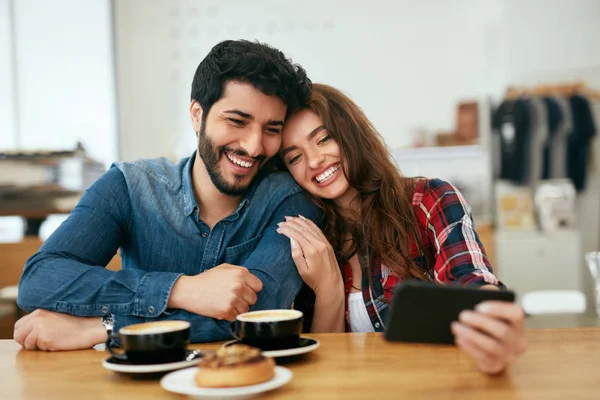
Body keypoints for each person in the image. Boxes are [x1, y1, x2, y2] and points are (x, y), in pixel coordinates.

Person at [14, 40, 320, 351]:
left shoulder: (289, 200)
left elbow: (257, 315)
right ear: (197, 116)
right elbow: (40, 280)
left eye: (271, 129)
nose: (254, 147)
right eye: (237, 121)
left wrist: (106, 328)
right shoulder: (130, 186)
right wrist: (181, 289)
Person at [276, 83, 527, 375]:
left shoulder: (430, 199)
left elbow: (469, 279)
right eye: (294, 157)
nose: (314, 161)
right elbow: (319, 364)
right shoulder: (307, 237)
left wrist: (492, 316)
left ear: (350, 133)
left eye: (323, 139)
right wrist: (329, 289)